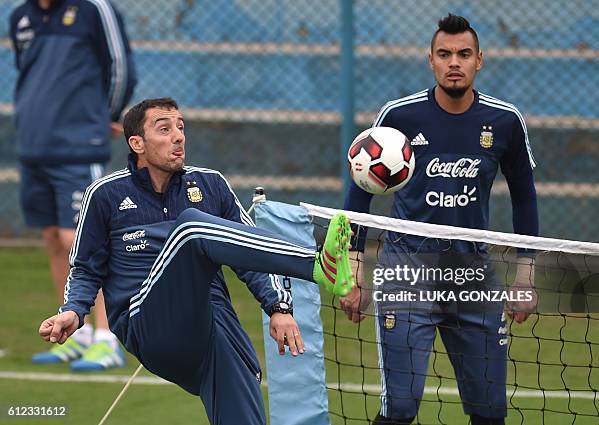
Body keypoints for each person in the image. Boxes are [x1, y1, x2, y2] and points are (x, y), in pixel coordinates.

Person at [37, 97, 354, 424]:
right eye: (164, 129)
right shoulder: (105, 195)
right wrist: (73, 311)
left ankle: (317, 266)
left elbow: (249, 250)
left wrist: (278, 307)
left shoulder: (211, 184)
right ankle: (316, 264)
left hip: (213, 325)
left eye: (180, 127)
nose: (178, 136)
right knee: (191, 228)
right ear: (137, 144)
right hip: (148, 324)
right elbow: (86, 268)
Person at [341, 14, 539, 425]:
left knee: (490, 413)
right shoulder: (400, 116)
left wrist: (525, 277)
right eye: (445, 54)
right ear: (430, 60)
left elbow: (524, 197)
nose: (454, 62)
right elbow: (359, 192)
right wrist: (354, 266)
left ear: (479, 60)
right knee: (399, 409)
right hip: (406, 271)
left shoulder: (505, 121)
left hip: (473, 275)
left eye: (463, 54)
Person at [9, 0, 137, 370]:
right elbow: (30, 74)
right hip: (34, 148)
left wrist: (107, 116)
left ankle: (106, 337)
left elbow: (122, 68)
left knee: (80, 240)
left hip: (78, 147)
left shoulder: (94, 9)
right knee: (52, 237)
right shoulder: (21, 17)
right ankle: (75, 332)